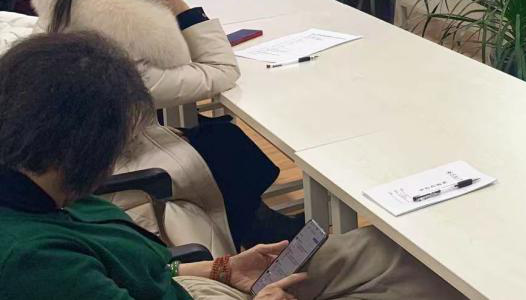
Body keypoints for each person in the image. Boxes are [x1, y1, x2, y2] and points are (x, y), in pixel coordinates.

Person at [0, 31, 461, 300]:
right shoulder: (34, 263)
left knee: (400, 253)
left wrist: (222, 269)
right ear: (83, 143)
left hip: (200, 286)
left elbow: (136, 272)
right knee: (423, 284)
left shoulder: (46, 194)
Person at [31, 0, 299, 253]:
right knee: (224, 146)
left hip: (83, 145)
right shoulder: (123, 53)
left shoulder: (68, 9)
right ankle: (256, 229)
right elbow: (221, 72)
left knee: (224, 136)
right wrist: (186, 12)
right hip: (108, 163)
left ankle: (257, 222)